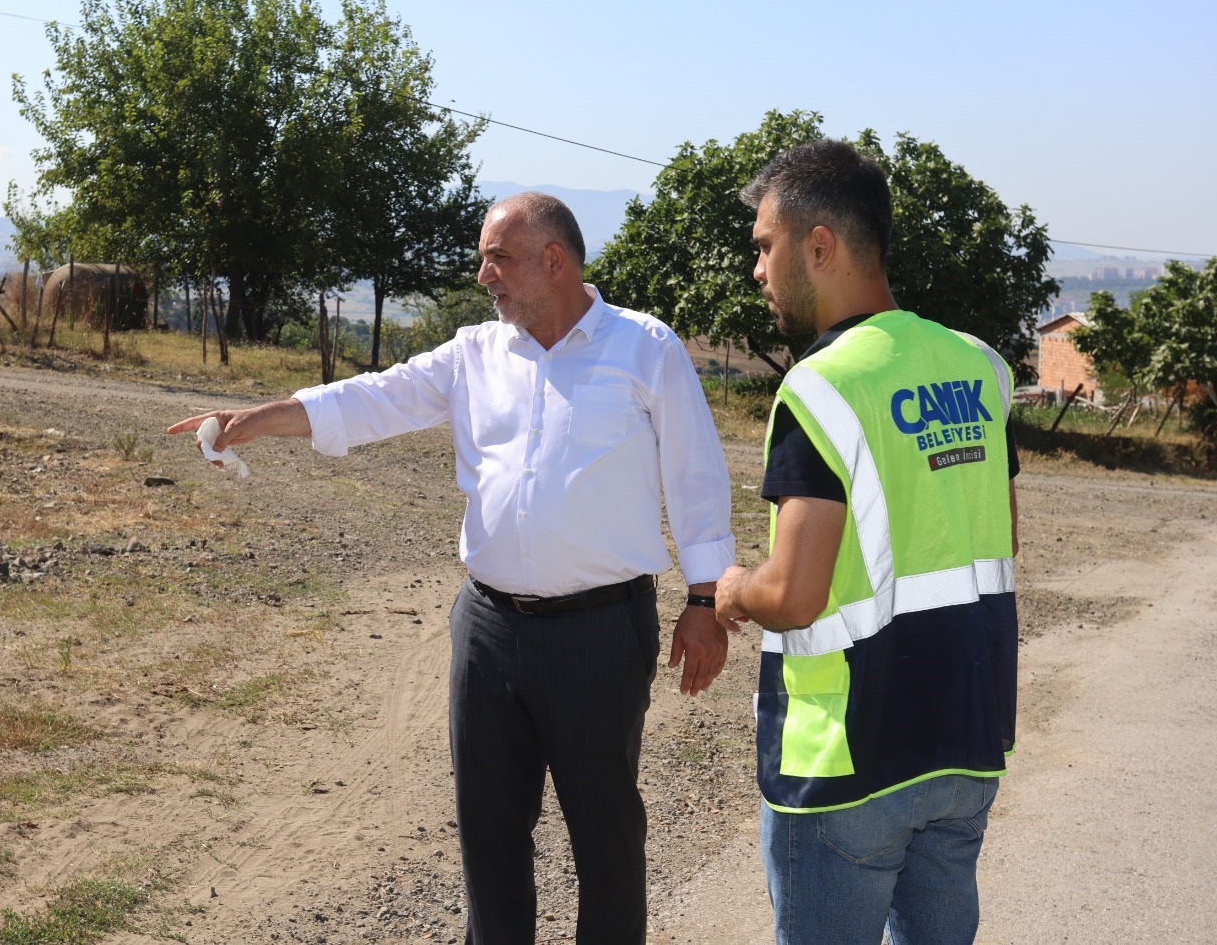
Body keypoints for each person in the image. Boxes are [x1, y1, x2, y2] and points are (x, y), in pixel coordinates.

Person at [168, 192, 735, 945]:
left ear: (553, 261)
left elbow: (697, 478)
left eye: (497, 258)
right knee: (489, 837)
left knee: (605, 838)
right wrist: (257, 420)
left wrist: (706, 601)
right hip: (489, 630)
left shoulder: (645, 347)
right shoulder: (474, 352)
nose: (483, 275)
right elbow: (374, 399)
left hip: (600, 632)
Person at [712, 140, 1019, 945]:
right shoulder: (977, 367)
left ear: (821, 247)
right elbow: (996, 537)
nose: (759, 271)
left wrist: (735, 587)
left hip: (851, 759)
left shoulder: (822, 386)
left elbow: (794, 596)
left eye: (765, 248)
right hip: (967, 736)